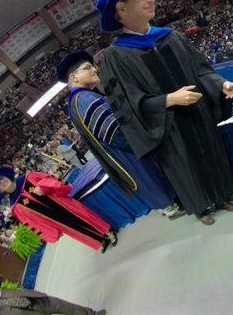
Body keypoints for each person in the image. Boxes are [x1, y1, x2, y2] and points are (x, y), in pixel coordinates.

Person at [95, 0, 233, 226]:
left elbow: (201, 70)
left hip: (197, 114)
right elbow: (126, 104)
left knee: (211, 153)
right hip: (168, 127)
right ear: (120, 10)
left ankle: (221, 195)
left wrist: (221, 84)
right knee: (185, 168)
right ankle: (201, 207)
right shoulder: (115, 58)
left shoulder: (171, 37)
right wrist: (168, 100)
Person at [56, 50, 182, 225]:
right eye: (87, 68)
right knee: (147, 176)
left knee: (145, 179)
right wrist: (142, 141)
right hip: (126, 148)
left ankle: (166, 206)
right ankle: (170, 207)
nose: (94, 69)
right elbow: (112, 131)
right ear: (74, 77)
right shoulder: (84, 99)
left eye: (92, 66)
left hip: (121, 149)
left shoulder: (78, 100)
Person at [0, 166, 118, 252]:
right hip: (56, 220)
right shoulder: (15, 207)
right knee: (76, 230)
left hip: (64, 204)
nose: (3, 182)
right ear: (0, 190)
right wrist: (50, 232)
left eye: (2, 179)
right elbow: (33, 222)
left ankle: (108, 232)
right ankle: (100, 240)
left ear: (6, 176)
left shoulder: (29, 178)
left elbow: (49, 179)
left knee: (85, 217)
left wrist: (44, 187)